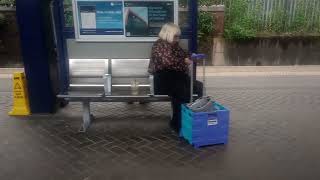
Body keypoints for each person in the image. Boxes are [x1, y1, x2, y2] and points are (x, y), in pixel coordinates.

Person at [149, 23, 203, 133]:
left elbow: (184, 54)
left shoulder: (174, 45)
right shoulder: (159, 45)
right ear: (168, 34)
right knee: (182, 92)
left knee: (198, 87)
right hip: (163, 79)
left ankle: (193, 118)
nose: (178, 39)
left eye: (179, 36)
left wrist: (191, 56)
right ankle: (178, 124)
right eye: (175, 36)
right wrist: (184, 62)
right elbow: (167, 63)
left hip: (175, 76)